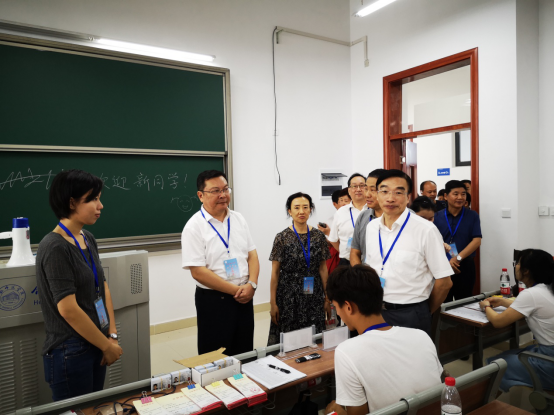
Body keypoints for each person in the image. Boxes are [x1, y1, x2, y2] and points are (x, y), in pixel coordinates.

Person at [36, 170, 122, 401]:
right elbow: (68, 309)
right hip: (70, 349)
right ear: (72, 202)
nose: (100, 206)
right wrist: (106, 345)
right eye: (93, 199)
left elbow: (102, 287)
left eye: (99, 198)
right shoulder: (54, 246)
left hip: (97, 341)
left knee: (93, 407)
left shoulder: (87, 237)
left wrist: (111, 335)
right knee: (80, 412)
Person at [325, 265, 443, 415]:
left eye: (336, 306)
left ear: (348, 307)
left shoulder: (346, 352)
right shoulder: (421, 336)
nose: (338, 313)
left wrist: (337, 411)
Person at [364, 169, 453, 335]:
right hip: (374, 310)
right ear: (377, 194)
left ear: (408, 197)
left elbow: (444, 282)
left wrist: (424, 311)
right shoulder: (371, 227)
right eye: (384, 191)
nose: (390, 198)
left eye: (398, 192)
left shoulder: (425, 229)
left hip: (411, 313)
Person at [182, 170, 259, 356]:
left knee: (244, 351)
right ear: (201, 195)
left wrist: (252, 284)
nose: (223, 195)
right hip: (214, 300)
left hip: (245, 296)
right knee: (216, 356)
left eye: (225, 189)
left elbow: (252, 254)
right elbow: (198, 272)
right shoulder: (193, 227)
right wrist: (237, 291)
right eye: (215, 191)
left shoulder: (238, 218)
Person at [479, 249, 554, 393]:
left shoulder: (531, 294)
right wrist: (503, 302)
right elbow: (534, 306)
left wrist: (486, 306)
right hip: (549, 352)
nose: (516, 267)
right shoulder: (548, 288)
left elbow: (498, 322)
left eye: (517, 263)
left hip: (549, 362)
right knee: (506, 357)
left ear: (526, 271)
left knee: (496, 366)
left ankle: (492, 404)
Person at [268, 193, 331, 345]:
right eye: (296, 208)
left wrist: (327, 298)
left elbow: (323, 269)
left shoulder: (319, 236)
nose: (301, 211)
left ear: (310, 210)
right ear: (289, 211)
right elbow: (275, 273)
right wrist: (273, 303)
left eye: (305, 207)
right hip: (288, 295)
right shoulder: (282, 237)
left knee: (314, 337)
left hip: (314, 294)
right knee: (290, 339)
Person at [434, 180, 482, 302]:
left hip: (464, 264)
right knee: (443, 300)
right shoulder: (437, 216)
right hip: (442, 264)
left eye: (463, 194)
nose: (460, 197)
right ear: (446, 196)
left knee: (465, 300)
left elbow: (477, 240)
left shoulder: (472, 215)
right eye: (456, 194)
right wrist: (448, 260)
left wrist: (457, 258)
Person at [329, 173, 368, 266]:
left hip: (370, 262)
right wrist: (346, 253)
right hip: (347, 262)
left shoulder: (374, 210)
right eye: (354, 186)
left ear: (367, 189)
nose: (358, 189)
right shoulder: (341, 212)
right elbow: (333, 239)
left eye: (362, 186)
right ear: (349, 190)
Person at [350, 169, 386, 266]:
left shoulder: (405, 218)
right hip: (366, 274)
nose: (367, 194)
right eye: (366, 189)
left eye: (373, 190)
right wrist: (359, 273)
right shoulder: (363, 217)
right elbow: (355, 252)